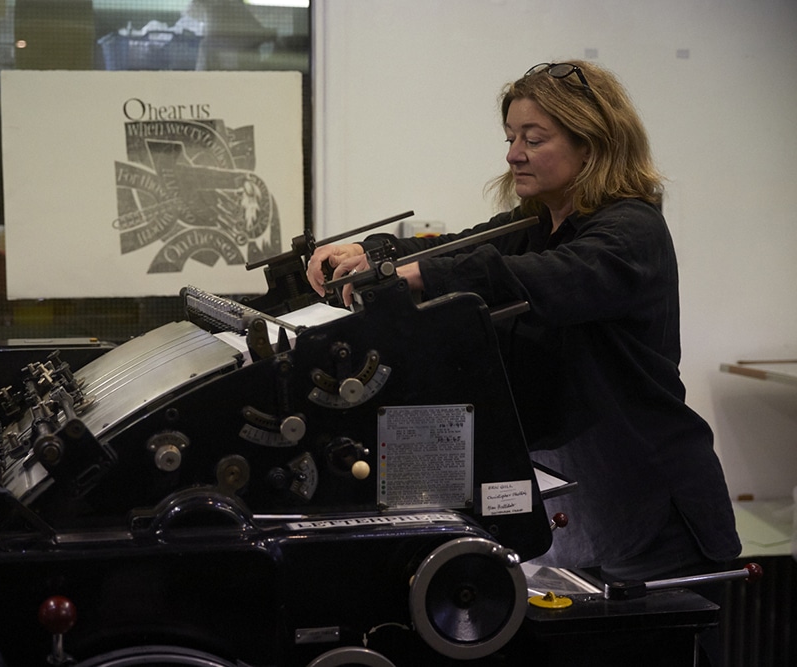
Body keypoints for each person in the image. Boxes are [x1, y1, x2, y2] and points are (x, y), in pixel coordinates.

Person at [307, 60, 741, 601]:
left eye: (533, 139)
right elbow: (458, 249)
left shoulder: (632, 231)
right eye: (511, 137)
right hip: (584, 513)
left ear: (592, 145)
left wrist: (412, 274)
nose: (513, 153)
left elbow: (539, 279)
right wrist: (371, 253)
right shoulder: (536, 224)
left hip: (656, 517)